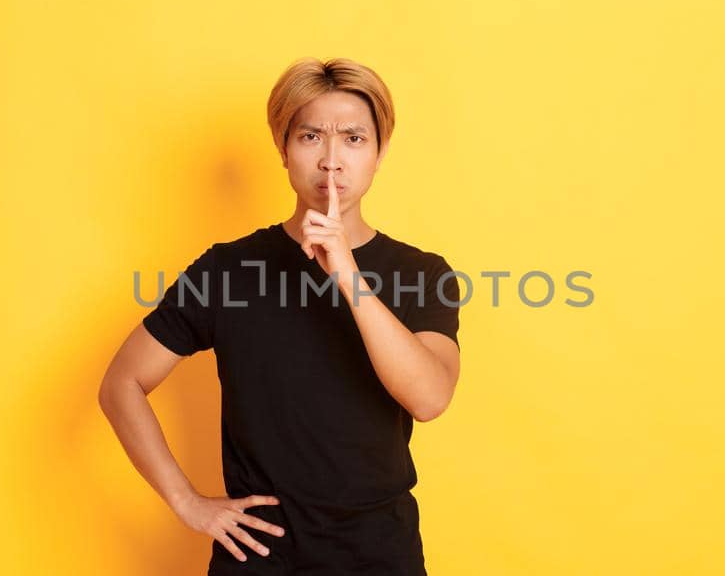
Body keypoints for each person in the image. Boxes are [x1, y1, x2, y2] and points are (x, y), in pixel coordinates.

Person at [99, 57, 462, 575]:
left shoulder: (422, 272)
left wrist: (347, 273)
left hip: (379, 555)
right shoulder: (229, 269)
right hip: (259, 557)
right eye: (311, 136)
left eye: (354, 139)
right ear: (284, 151)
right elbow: (121, 384)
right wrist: (187, 502)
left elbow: (430, 398)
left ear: (379, 153)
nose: (331, 160)